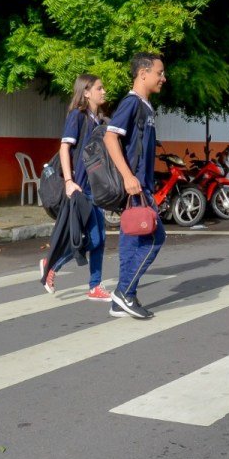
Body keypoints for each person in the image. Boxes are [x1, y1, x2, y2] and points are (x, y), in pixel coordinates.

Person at [104, 53, 166, 320]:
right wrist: (128, 176)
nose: (163, 78)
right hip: (136, 187)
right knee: (155, 236)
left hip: (143, 186)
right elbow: (110, 137)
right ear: (143, 73)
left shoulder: (145, 106)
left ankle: (121, 301)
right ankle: (124, 292)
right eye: (159, 73)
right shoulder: (131, 103)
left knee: (131, 240)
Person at [40, 74, 110, 299]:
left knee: (99, 239)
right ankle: (52, 264)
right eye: (99, 88)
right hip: (80, 190)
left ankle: (95, 286)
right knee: (92, 239)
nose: (104, 91)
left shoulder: (97, 120)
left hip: (95, 189)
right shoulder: (77, 116)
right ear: (86, 92)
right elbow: (64, 149)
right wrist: (69, 182)